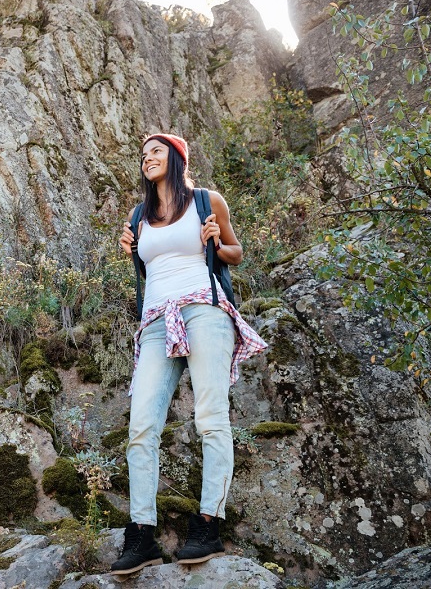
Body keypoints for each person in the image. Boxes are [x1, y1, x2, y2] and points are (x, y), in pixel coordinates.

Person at [110, 134, 268, 573]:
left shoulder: (206, 200)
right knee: (141, 424)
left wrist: (217, 240)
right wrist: (130, 250)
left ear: (176, 158)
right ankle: (141, 535)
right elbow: (150, 266)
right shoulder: (138, 215)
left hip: (204, 312)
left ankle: (209, 525)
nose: (148, 158)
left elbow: (235, 253)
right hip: (157, 322)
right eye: (143, 155)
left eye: (156, 151)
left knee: (210, 418)